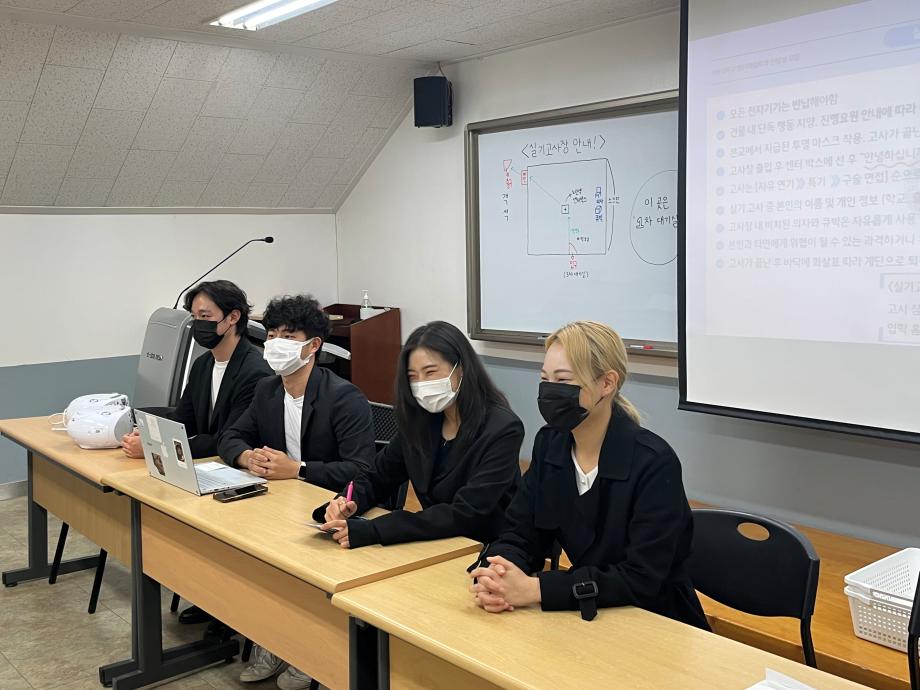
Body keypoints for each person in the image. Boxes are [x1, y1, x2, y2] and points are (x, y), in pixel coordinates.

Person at [469, 321, 709, 630]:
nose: (549, 391)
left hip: (656, 621)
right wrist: (498, 574)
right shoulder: (550, 444)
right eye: (544, 379)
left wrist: (536, 590)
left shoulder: (654, 462)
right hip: (587, 616)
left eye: (563, 380)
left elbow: (641, 578)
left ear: (607, 384)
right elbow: (521, 532)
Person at [218, 294, 375, 689]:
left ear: (313, 345)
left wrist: (299, 470)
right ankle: (273, 640)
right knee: (248, 552)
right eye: (271, 335)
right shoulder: (267, 390)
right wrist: (246, 458)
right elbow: (231, 436)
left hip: (330, 511)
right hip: (279, 506)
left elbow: (361, 470)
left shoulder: (344, 397)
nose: (276, 344)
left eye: (288, 337)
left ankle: (308, 651)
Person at [121, 279, 272, 626]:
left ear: (233, 318)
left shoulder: (255, 370)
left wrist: (155, 448)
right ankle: (208, 598)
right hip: (207, 468)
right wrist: (148, 432)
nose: (198, 324)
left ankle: (227, 613)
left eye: (206, 316)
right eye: (194, 316)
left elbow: (224, 438)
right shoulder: (203, 365)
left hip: (240, 474)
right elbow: (184, 418)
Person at [316, 320, 525, 549]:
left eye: (430, 372)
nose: (421, 384)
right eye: (413, 376)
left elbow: (466, 512)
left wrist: (376, 530)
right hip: (435, 541)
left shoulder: (503, 428)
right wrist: (345, 502)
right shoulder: (421, 421)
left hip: (487, 549)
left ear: (461, 368)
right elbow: (377, 477)